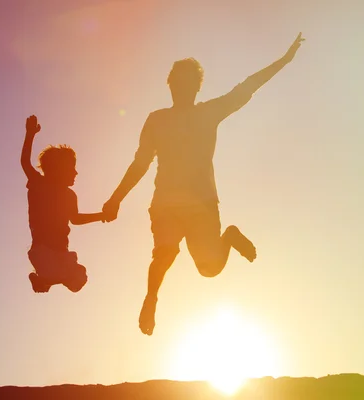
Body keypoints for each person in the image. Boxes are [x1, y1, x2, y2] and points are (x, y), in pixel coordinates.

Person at [102, 33, 305, 335]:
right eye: (177, 81)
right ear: (169, 84)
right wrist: (116, 198)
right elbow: (140, 163)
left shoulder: (208, 112)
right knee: (165, 252)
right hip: (166, 204)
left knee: (209, 269)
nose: (182, 87)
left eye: (189, 83)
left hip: (202, 205)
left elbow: (247, 87)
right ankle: (151, 298)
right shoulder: (156, 120)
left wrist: (284, 60)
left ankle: (229, 237)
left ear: (197, 87)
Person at [21, 115, 104, 294]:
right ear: (58, 170)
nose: (76, 172)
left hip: (61, 251)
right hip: (42, 250)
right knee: (52, 273)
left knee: (79, 280)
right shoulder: (39, 184)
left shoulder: (69, 195)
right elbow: (25, 163)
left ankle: (45, 281)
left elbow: (75, 219)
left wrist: (101, 216)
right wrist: (30, 134)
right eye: (71, 168)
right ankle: (42, 280)